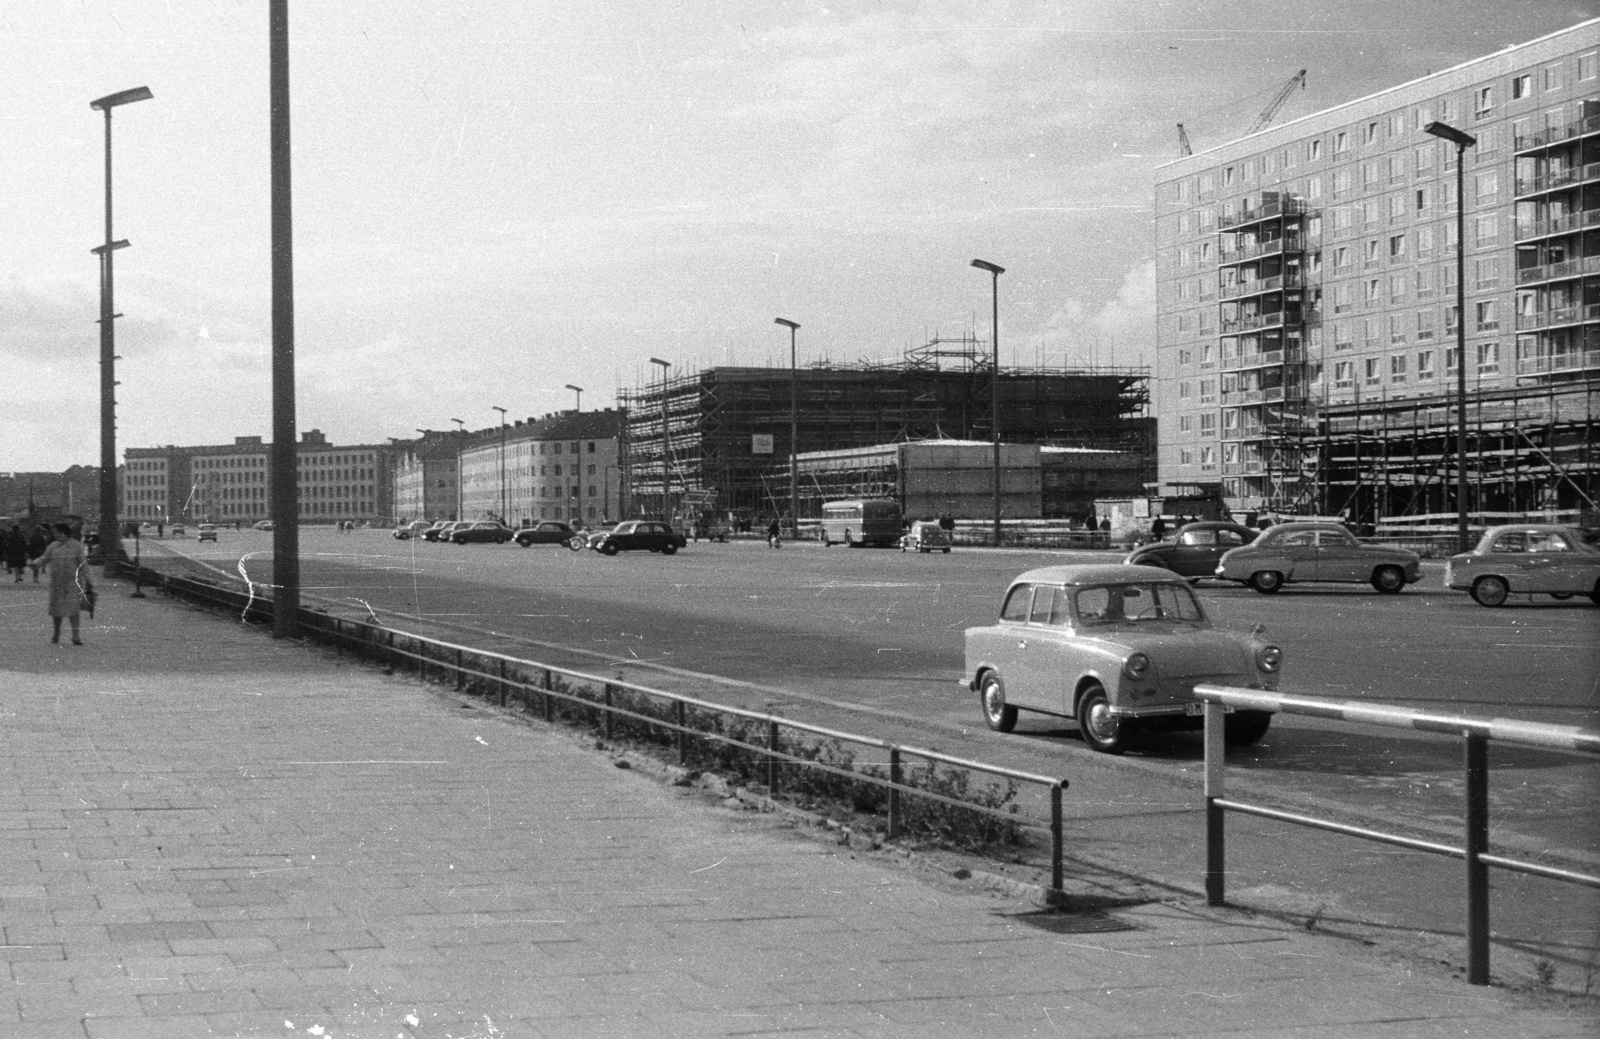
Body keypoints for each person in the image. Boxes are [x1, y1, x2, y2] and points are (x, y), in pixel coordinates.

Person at [34, 523, 88, 646]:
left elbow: (83, 563)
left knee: (73, 610)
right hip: (57, 582)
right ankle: (56, 634)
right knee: (56, 610)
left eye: (55, 532)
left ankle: (76, 636)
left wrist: (88, 579)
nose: (53, 534)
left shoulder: (76, 546)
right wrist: (34, 563)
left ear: (62, 532)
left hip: (72, 582)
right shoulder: (53, 546)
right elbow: (44, 559)